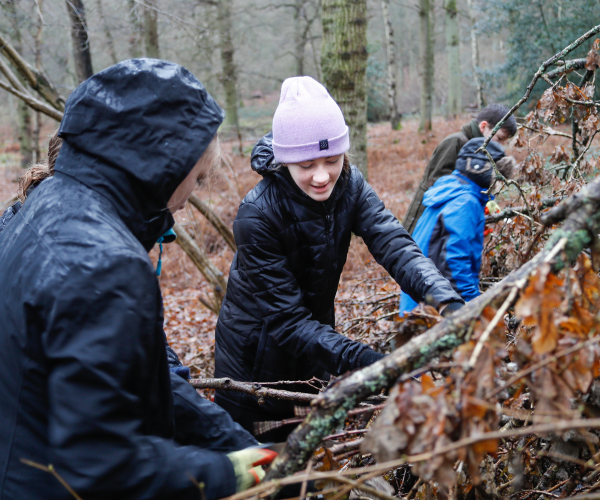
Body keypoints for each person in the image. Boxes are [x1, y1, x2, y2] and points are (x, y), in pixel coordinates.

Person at [0, 59, 274, 500]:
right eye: (197, 178)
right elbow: (104, 465)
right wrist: (230, 473)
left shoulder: (38, 208)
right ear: (165, 163)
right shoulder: (103, 264)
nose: (187, 202)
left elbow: (136, 377)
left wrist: (240, 445)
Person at [214, 76, 464, 441]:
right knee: (263, 466)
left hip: (314, 357)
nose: (321, 176)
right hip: (254, 372)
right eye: (305, 165)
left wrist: (446, 300)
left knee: (307, 453)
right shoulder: (257, 215)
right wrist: (377, 366)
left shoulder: (350, 184)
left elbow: (394, 243)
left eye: (331, 160)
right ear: (285, 162)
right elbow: (288, 324)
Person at [399, 137, 516, 314]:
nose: (499, 187)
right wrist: (471, 305)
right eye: (498, 179)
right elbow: (454, 261)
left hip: (421, 300)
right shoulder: (465, 202)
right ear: (485, 172)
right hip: (434, 309)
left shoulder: (452, 190)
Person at [403, 104, 518, 234]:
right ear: (483, 126)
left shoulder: (480, 153)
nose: (500, 145)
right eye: (499, 138)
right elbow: (437, 184)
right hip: (425, 222)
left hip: (447, 225)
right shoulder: (456, 142)